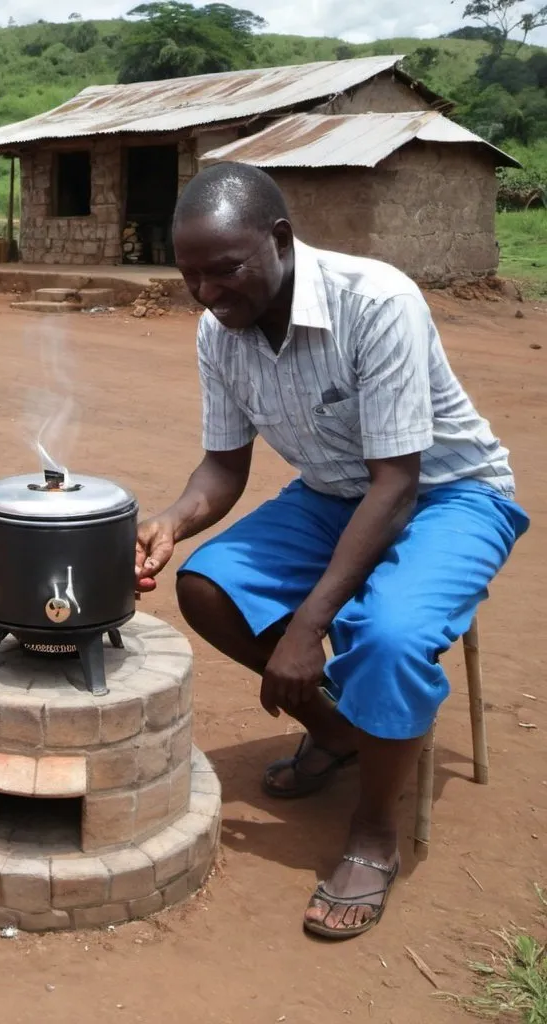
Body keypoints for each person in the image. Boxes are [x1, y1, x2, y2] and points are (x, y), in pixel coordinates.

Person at [135, 163, 529, 940]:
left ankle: (375, 831)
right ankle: (342, 731)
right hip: (333, 493)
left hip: (450, 494)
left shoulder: (375, 301)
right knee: (209, 586)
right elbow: (224, 466)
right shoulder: (221, 332)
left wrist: (310, 625)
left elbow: (397, 483)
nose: (207, 293)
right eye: (189, 276)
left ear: (279, 241)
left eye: (224, 270)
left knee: (386, 637)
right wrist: (174, 520)